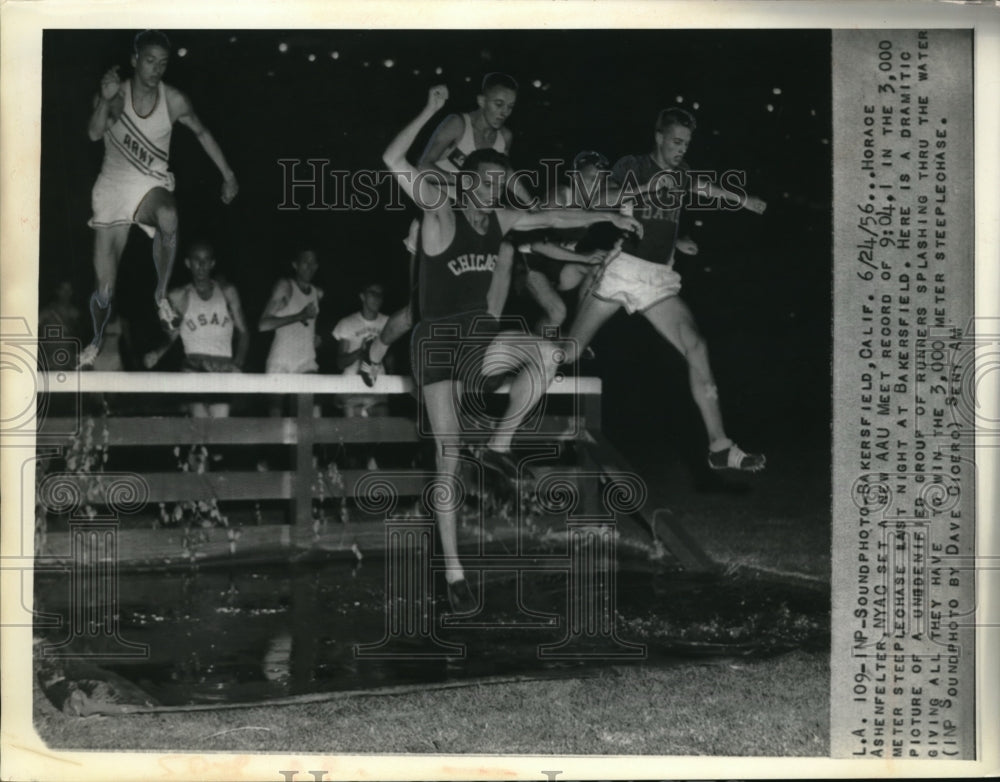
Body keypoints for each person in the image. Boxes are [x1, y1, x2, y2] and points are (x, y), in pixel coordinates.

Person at [382, 85, 641, 613]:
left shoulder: (499, 221)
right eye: (489, 182)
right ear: (469, 182)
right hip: (436, 346)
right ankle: (454, 572)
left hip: (478, 342)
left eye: (502, 183)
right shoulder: (439, 210)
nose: (496, 191)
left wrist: (609, 218)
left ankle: (499, 446)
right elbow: (391, 158)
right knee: (448, 454)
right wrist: (430, 109)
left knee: (548, 353)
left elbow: (547, 217)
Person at [558, 108, 767, 473]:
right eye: (675, 142)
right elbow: (602, 198)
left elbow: (700, 187)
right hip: (623, 270)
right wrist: (646, 186)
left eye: (686, 143)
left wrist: (742, 200)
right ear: (658, 137)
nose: (681, 149)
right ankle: (511, 367)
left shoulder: (682, 172)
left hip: (658, 277)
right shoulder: (634, 165)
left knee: (696, 345)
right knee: (569, 352)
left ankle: (720, 446)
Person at [79, 30, 239, 369]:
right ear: (135, 60)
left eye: (163, 63)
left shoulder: (174, 100)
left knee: (168, 214)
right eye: (150, 61)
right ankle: (94, 341)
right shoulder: (115, 94)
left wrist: (228, 174)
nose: (156, 69)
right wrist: (105, 100)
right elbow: (93, 133)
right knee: (104, 290)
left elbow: (202, 132)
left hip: (149, 186)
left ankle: (161, 296)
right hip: (111, 191)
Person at [361, 73, 527, 387]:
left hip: (474, 226)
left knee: (483, 286)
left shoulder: (505, 137)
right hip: (439, 223)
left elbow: (506, 175)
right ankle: (374, 352)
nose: (504, 111)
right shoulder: (457, 124)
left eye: (511, 106)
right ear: (481, 101)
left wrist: (530, 203)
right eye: (498, 103)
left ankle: (476, 355)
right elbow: (422, 165)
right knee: (418, 312)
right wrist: (466, 185)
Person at [143, 241, 249, 418]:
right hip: (194, 366)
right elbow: (172, 335)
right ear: (188, 263)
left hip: (223, 368)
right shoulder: (178, 296)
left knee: (218, 429)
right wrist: (156, 353)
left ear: (212, 263)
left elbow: (244, 333)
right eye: (196, 260)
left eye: (206, 260)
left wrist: (237, 364)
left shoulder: (228, 292)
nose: (201, 265)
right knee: (200, 428)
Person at [332, 281, 390, 419]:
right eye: (372, 293)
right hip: (352, 388)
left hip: (378, 386)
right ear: (362, 296)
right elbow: (340, 362)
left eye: (380, 294)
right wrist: (362, 351)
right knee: (354, 436)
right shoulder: (347, 323)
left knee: (382, 435)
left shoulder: (388, 322)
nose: (377, 297)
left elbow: (390, 358)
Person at [260, 248, 323, 374]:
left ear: (316, 266)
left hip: (306, 360)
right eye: (305, 262)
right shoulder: (285, 286)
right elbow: (263, 325)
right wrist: (300, 316)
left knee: (308, 390)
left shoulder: (318, 293)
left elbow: (307, 325)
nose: (309, 267)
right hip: (281, 360)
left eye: (313, 263)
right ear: (295, 265)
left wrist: (314, 338)